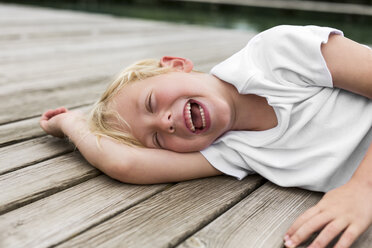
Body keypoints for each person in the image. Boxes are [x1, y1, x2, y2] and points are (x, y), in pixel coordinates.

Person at [40, 25, 372, 248]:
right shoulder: (230, 150)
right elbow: (125, 164)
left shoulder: (276, 55)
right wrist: (71, 124)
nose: (165, 121)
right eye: (156, 139)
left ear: (176, 64)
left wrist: (361, 189)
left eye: (151, 103)